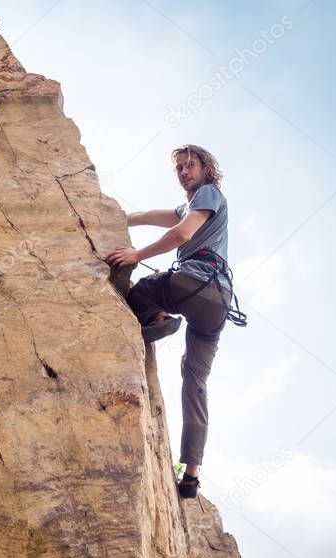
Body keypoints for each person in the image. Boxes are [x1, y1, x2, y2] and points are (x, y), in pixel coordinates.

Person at [105, 144, 244, 499]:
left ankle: (159, 316)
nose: (184, 171)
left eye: (190, 165)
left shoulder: (210, 194)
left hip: (196, 281)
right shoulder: (188, 206)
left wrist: (137, 254)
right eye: (179, 167)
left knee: (138, 291)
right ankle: (192, 474)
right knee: (195, 382)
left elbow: (182, 235)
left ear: (205, 169)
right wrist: (118, 216)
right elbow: (154, 216)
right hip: (216, 306)